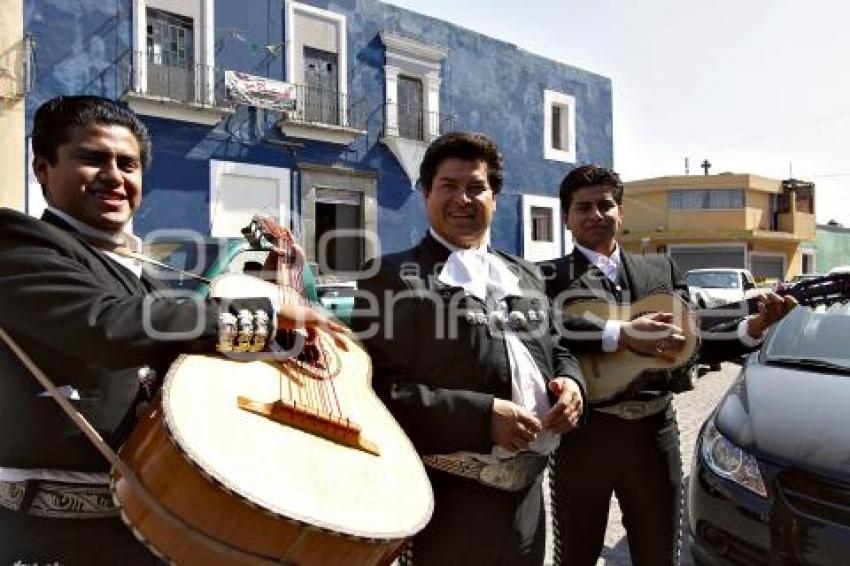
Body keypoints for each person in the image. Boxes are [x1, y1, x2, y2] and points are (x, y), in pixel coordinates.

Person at [0, 95, 345, 564]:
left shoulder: (144, 274)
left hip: (163, 526)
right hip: (54, 536)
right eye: (92, 158)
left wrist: (285, 351)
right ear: (42, 168)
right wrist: (263, 314)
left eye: (129, 164)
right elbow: (106, 326)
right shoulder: (18, 244)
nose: (115, 176)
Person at [541, 164, 796, 566]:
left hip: (653, 435)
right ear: (567, 218)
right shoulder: (546, 277)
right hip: (584, 437)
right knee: (576, 554)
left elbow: (693, 344)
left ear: (621, 213)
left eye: (606, 204)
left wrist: (753, 325)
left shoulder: (661, 271)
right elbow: (547, 330)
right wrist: (620, 332)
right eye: (583, 207)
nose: (596, 214)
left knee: (659, 552)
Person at [351, 132, 585, 566]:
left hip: (528, 501)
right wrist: (481, 418)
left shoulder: (525, 274)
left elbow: (558, 346)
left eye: (476, 187)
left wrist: (571, 384)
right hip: (448, 506)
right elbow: (379, 393)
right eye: (448, 186)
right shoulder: (390, 277)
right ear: (425, 194)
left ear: (495, 197)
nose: (462, 198)